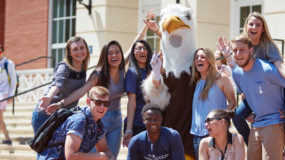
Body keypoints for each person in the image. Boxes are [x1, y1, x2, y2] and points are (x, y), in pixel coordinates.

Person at [47, 20, 150, 158]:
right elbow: (81, 91)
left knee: (111, 156)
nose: (114, 56)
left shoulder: (120, 67)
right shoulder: (98, 74)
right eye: (110, 53)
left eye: (117, 52)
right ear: (105, 56)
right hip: (100, 117)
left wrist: (146, 28)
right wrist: (60, 104)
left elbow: (133, 45)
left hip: (117, 120)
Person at [218, 12, 285, 145]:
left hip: (272, 93)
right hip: (253, 93)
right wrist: (227, 57)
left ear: (263, 29)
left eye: (258, 25)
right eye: (251, 24)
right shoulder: (241, 46)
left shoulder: (268, 47)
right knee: (237, 117)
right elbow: (240, 73)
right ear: (246, 26)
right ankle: (254, 144)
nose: (254, 27)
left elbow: (280, 66)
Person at [231, 34, 285, 159]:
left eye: (242, 49)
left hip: (274, 123)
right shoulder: (236, 73)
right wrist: (247, 113)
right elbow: (245, 93)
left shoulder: (267, 69)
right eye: (235, 50)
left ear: (251, 50)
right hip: (255, 125)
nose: (238, 54)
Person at [31, 36, 90, 134]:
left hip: (64, 115)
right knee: (45, 149)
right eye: (75, 49)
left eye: (82, 48)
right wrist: (49, 96)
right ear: (70, 53)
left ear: (86, 49)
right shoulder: (64, 67)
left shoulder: (83, 68)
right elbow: (57, 83)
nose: (79, 52)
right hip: (46, 114)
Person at [38, 86, 114, 160]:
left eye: (106, 103)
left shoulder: (98, 124)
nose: (102, 107)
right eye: (98, 102)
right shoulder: (79, 120)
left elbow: (104, 150)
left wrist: (109, 157)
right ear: (88, 102)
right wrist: (100, 156)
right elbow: (71, 156)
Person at [190, 48, 236, 159]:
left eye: (203, 57)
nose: (199, 59)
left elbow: (233, 102)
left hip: (216, 133)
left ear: (210, 60)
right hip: (197, 135)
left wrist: (219, 119)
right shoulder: (196, 82)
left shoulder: (221, 79)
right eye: (196, 58)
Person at [122, 40, 153, 147]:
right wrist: (129, 129)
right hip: (137, 124)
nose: (142, 50)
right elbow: (131, 102)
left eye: (144, 48)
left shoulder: (154, 70)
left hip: (153, 121)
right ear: (133, 53)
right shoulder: (132, 72)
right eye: (138, 48)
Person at [0, 44, 17, 145]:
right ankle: (7, 138)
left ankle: (7, 137)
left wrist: (11, 95)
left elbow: (14, 80)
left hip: (4, 93)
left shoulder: (8, 63)